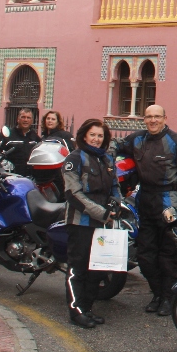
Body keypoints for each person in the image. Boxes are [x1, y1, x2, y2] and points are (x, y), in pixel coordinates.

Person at [115, 105, 177, 317]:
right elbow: (113, 145)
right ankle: (156, 293)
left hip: (169, 203)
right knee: (145, 255)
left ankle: (168, 297)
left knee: (168, 255)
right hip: (144, 201)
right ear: (144, 119)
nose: (153, 120)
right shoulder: (137, 139)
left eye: (157, 117)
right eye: (149, 117)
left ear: (165, 118)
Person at [62, 119, 122, 329]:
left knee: (96, 268)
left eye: (100, 136)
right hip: (81, 223)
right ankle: (76, 311)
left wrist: (116, 204)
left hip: (102, 223)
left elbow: (115, 187)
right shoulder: (75, 159)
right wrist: (103, 213)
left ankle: (87, 308)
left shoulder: (106, 159)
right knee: (77, 269)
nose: (96, 139)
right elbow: (73, 194)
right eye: (93, 135)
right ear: (84, 136)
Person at [0, 108, 41, 177]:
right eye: (23, 117)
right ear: (18, 119)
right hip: (10, 176)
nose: (25, 120)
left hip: (29, 177)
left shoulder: (35, 138)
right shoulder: (7, 135)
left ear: (31, 121)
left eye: (28, 118)